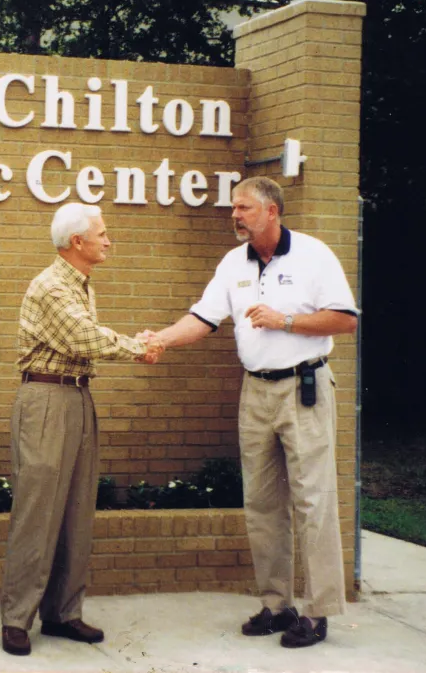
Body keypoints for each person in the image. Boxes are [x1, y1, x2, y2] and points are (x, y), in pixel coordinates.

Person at [144, 177, 358, 648]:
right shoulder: (232, 263)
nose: (234, 215)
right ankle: (276, 605)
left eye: (243, 208)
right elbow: (203, 318)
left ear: (272, 211)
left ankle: (319, 612)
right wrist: (160, 338)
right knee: (261, 504)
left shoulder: (313, 255)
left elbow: (345, 318)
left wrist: (284, 320)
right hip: (256, 392)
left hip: (304, 387)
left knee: (313, 501)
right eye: (233, 208)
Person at [0, 202, 163, 657]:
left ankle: (63, 613)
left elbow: (84, 340)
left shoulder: (79, 284)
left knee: (76, 510)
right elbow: (83, 338)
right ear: (78, 242)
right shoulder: (52, 287)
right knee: (37, 512)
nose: (109, 241)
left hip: (76, 396)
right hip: (47, 400)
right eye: (103, 233)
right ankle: (16, 619)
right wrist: (139, 347)